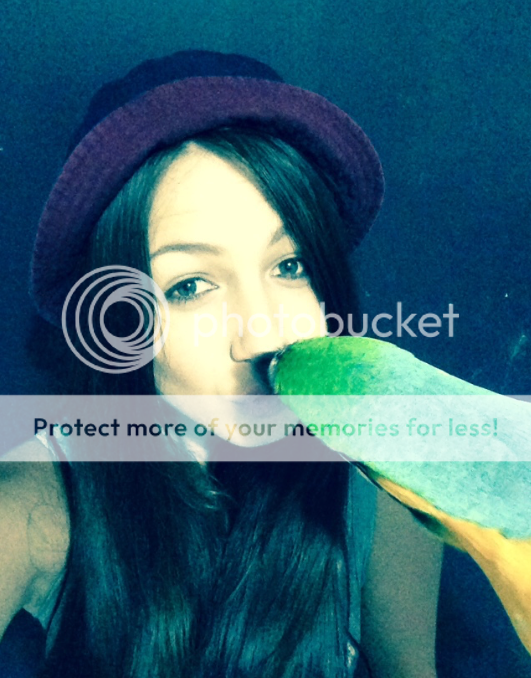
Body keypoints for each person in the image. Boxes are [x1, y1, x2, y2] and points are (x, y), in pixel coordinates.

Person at [0, 50, 449, 678]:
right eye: (189, 286)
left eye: (290, 265)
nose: (262, 334)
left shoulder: (382, 487)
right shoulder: (41, 502)